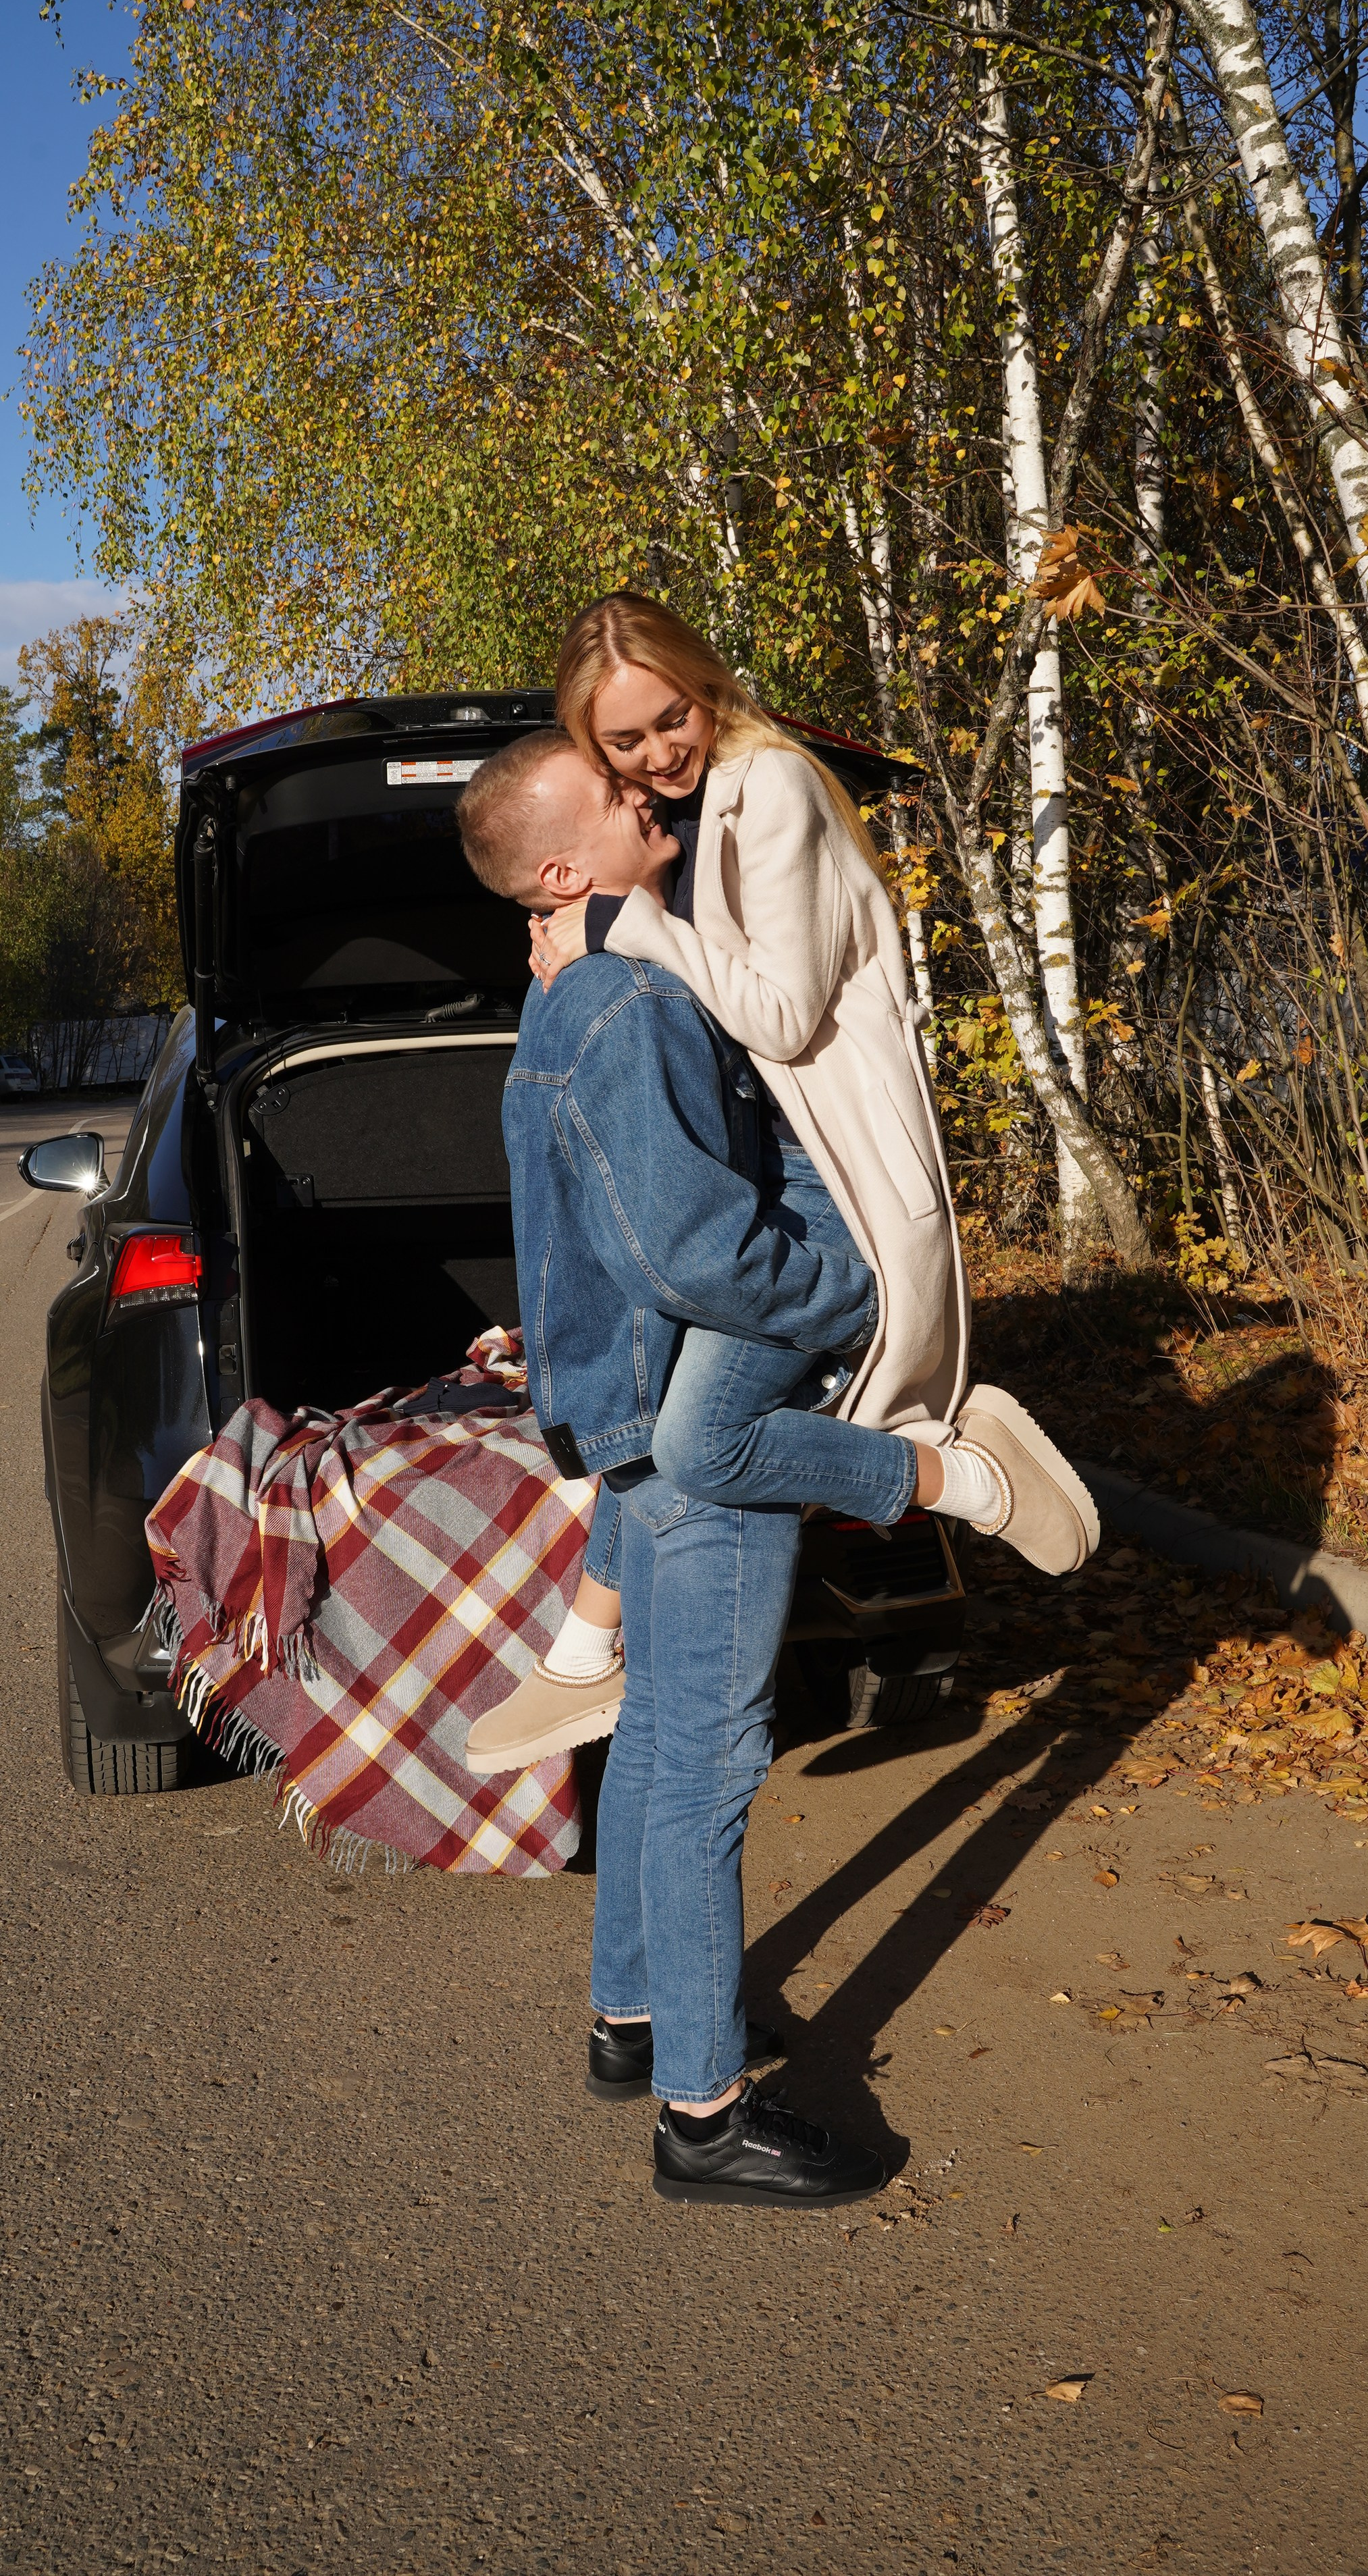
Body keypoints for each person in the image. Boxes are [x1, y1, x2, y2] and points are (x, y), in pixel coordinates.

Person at [457, 732, 1099, 1772]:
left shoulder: (678, 902)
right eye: (609, 785)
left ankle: (960, 1476)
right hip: (775, 1208)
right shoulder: (604, 967)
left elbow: (762, 1063)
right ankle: (581, 1653)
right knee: (657, 1421)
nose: (639, 788)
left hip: (817, 1210)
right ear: (560, 877)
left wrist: (849, 1300)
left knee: (700, 1444)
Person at [493, 822, 889, 2205]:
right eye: (619, 798)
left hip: (640, 1398)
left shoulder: (579, 987)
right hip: (697, 1396)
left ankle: (637, 2020)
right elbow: (696, 1244)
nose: (656, 811)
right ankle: (705, 2115)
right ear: (558, 866)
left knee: (660, 1736)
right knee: (710, 1759)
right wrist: (860, 1293)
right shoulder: (645, 996)